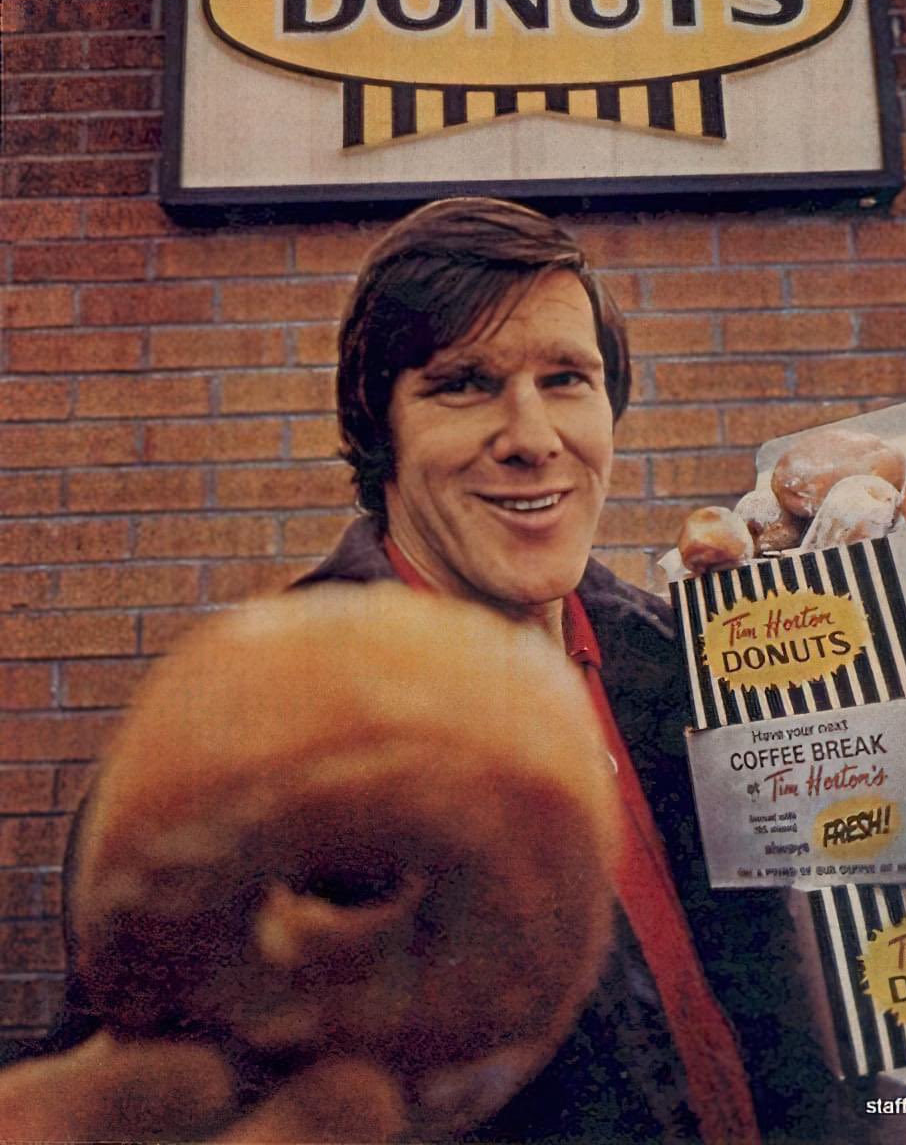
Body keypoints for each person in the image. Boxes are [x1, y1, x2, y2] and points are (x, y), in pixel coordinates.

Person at [291, 197, 844, 1144]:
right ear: (379, 427)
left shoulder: (686, 666)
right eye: (463, 384)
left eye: (566, 379)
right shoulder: (278, 731)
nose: (532, 435)